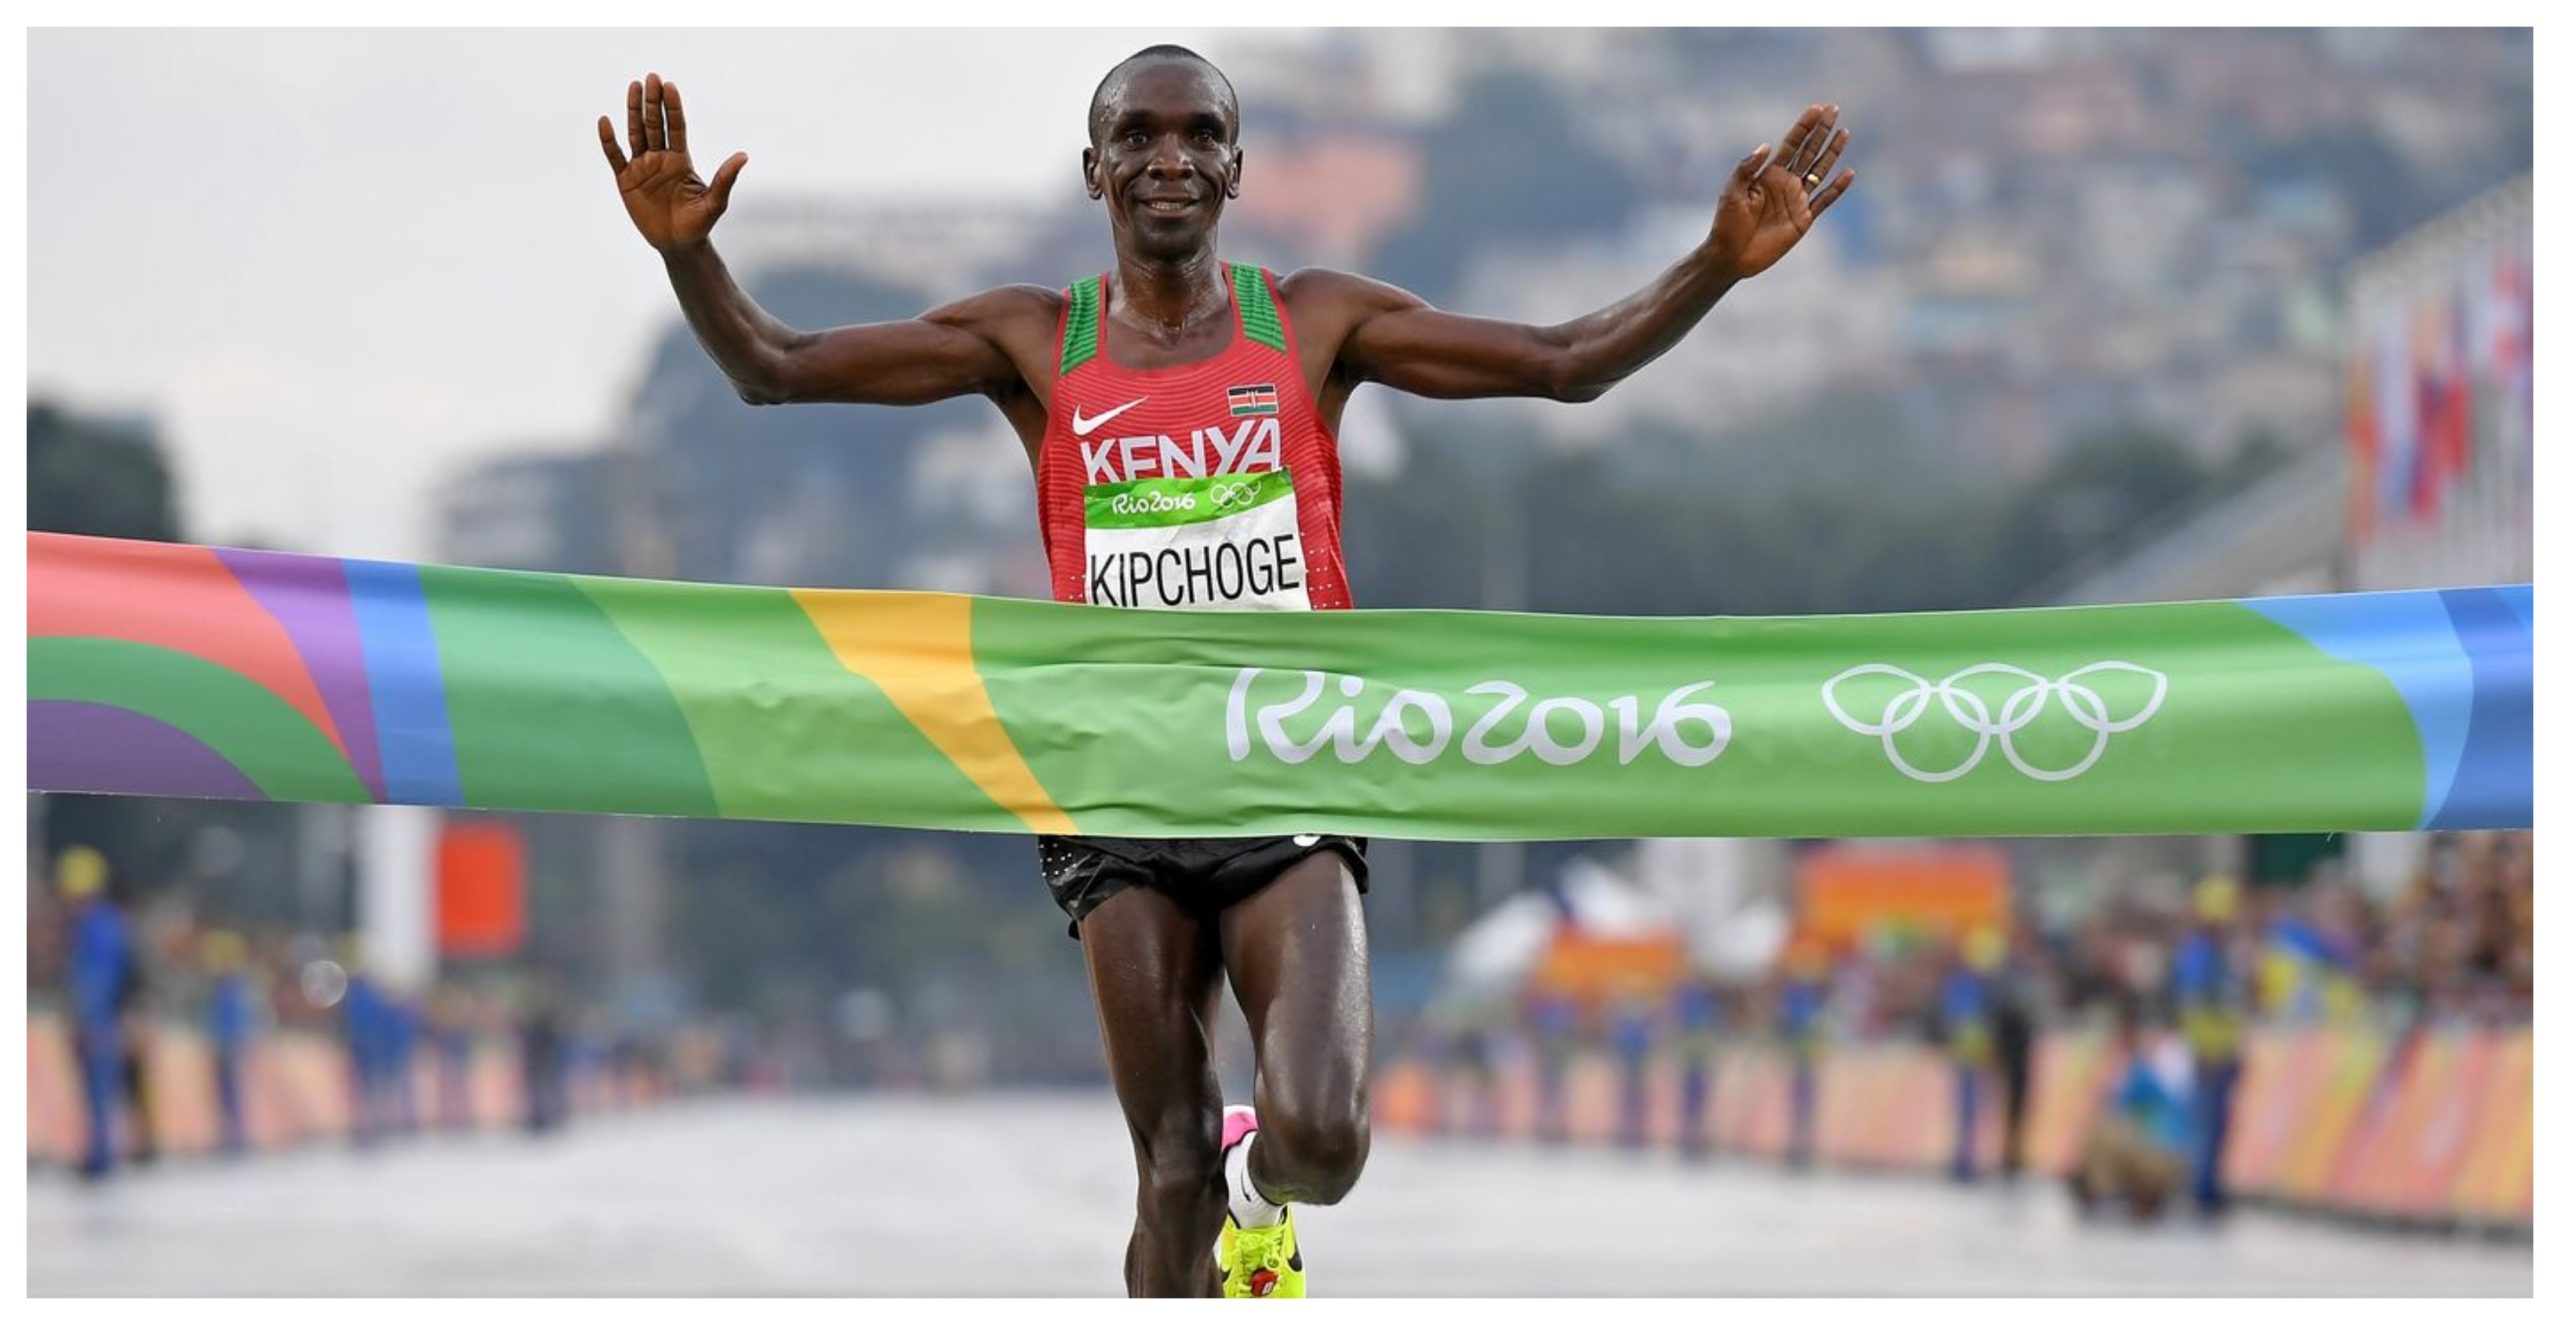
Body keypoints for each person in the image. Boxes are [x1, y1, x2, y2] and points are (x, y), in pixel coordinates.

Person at [599, 49, 1852, 1297]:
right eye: (1137, 135)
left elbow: (1561, 359)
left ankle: (1262, 1206)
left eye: (1199, 134)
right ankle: (1204, 1221)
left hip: (1286, 776)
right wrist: (686, 255)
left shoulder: (1310, 323)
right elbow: (774, 366)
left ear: (1236, 167)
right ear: (1095, 168)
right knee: (1169, 1167)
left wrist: (1712, 266)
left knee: (1320, 1139)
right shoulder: (1034, 338)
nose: (1169, 157)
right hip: (1119, 797)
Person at [59, 846, 139, 1178]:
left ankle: (100, 1155)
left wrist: (88, 1020)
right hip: (103, 1018)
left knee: (98, 1090)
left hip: (99, 1021)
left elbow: (96, 979)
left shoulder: (96, 926)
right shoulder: (106, 922)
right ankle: (100, 1152)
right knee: (99, 1091)